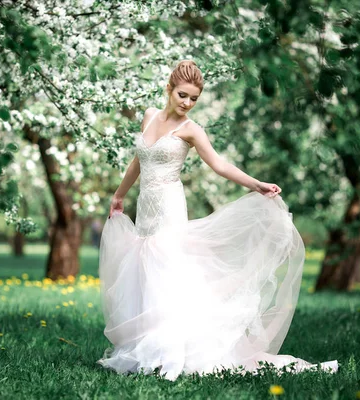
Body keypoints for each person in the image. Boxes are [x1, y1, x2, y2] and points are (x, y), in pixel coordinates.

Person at [97, 60, 338, 381]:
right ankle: (147, 346)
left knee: (168, 270)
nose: (187, 103)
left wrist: (257, 184)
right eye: (182, 95)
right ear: (169, 89)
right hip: (146, 206)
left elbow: (219, 166)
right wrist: (119, 194)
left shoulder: (191, 129)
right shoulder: (149, 115)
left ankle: (171, 349)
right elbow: (139, 160)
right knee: (146, 270)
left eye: (194, 98)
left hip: (169, 205)